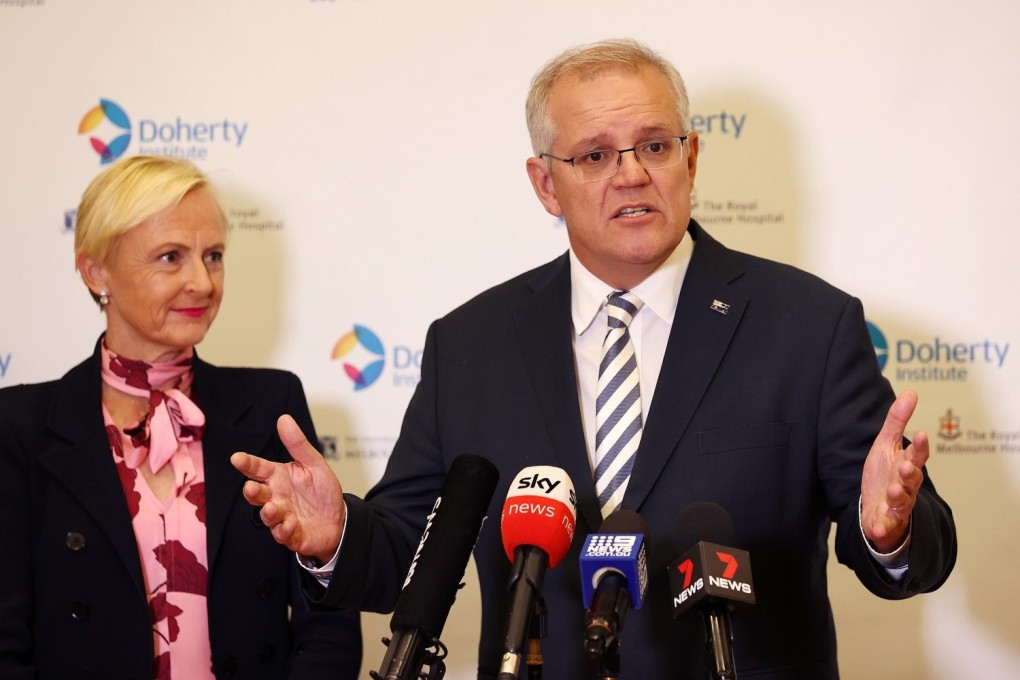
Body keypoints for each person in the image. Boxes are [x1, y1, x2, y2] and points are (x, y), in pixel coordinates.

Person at [231, 40, 957, 678]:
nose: (632, 173)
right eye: (596, 155)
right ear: (545, 182)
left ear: (691, 157)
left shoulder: (808, 326)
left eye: (655, 145)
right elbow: (407, 558)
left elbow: (914, 553)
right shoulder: (471, 344)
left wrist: (887, 528)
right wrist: (336, 539)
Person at [0, 156, 362, 679]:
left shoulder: (271, 405)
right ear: (96, 270)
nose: (202, 282)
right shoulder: (20, 428)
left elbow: (325, 621)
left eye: (212, 256)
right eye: (170, 257)